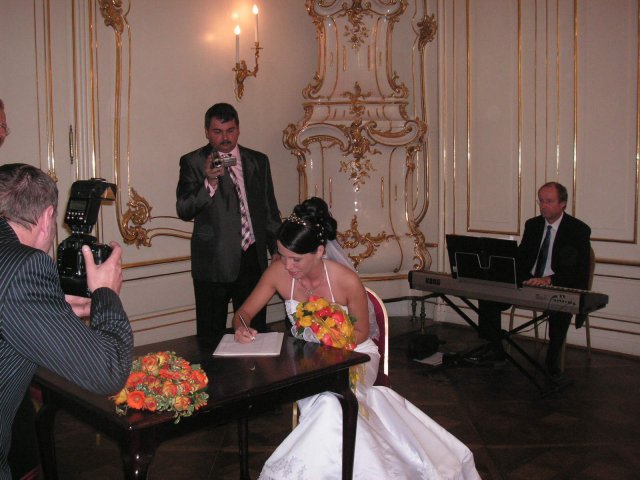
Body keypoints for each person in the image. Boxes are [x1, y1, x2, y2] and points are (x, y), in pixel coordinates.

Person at [234, 198, 480, 480]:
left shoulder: (346, 279)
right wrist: (241, 327)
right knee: (327, 402)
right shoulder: (277, 273)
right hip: (306, 362)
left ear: (319, 251)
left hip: (355, 354)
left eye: (296, 259)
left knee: (332, 402)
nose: (287, 265)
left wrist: (329, 340)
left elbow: (362, 332)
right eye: (281, 255)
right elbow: (243, 313)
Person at [0, 163, 134, 480]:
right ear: (48, 217)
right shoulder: (25, 265)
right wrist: (105, 292)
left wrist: (52, 309)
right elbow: (109, 372)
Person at [176, 102, 281, 338]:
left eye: (230, 130)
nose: (225, 138)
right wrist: (209, 183)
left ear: (238, 129)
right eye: (217, 131)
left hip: (252, 259)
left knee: (254, 332)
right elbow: (184, 209)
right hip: (213, 262)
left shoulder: (258, 161)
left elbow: (269, 210)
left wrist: (276, 250)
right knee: (211, 337)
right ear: (206, 132)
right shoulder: (193, 162)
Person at [475, 182, 591, 378]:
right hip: (530, 282)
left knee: (561, 305)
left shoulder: (578, 229)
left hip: (558, 283)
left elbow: (578, 270)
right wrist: (520, 276)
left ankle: (552, 359)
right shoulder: (533, 225)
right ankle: (495, 349)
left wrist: (549, 280)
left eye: (549, 201)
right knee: (488, 296)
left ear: (563, 203)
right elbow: (521, 258)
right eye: (541, 201)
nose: (543, 206)